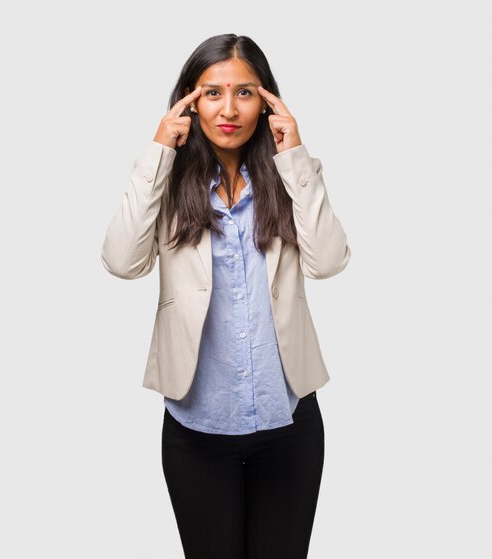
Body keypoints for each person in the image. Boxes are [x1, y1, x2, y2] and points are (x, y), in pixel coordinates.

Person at [100, 33, 351, 559]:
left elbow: (328, 262)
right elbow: (122, 262)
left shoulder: (291, 176)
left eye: (245, 92)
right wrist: (158, 151)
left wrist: (296, 156)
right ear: (189, 101)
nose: (229, 109)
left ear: (267, 102)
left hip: (289, 425)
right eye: (212, 93)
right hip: (197, 428)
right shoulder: (166, 182)